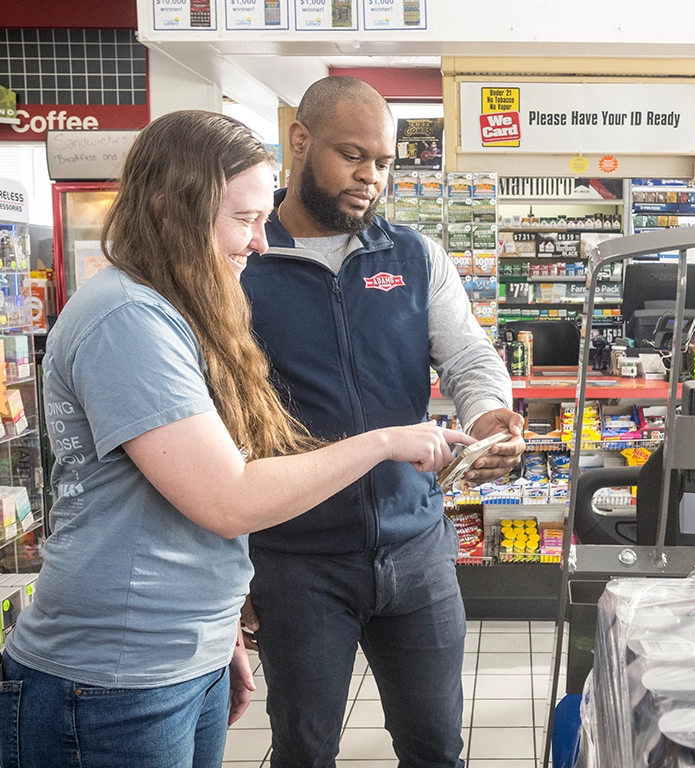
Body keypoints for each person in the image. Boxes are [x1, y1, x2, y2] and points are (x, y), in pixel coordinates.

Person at [0, 110, 472, 768]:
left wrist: (218, 623)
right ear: (173, 213)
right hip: (113, 677)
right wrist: (384, 442)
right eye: (245, 220)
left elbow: (184, 500)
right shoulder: (127, 317)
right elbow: (228, 496)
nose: (258, 242)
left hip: (176, 654)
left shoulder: (180, 313)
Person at [238, 76, 525, 768]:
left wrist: (488, 414)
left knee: (435, 748)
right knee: (304, 752)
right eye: (352, 155)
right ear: (299, 143)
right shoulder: (243, 260)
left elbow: (467, 353)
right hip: (297, 559)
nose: (371, 177)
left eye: (385, 162)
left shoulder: (415, 256)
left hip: (415, 547)